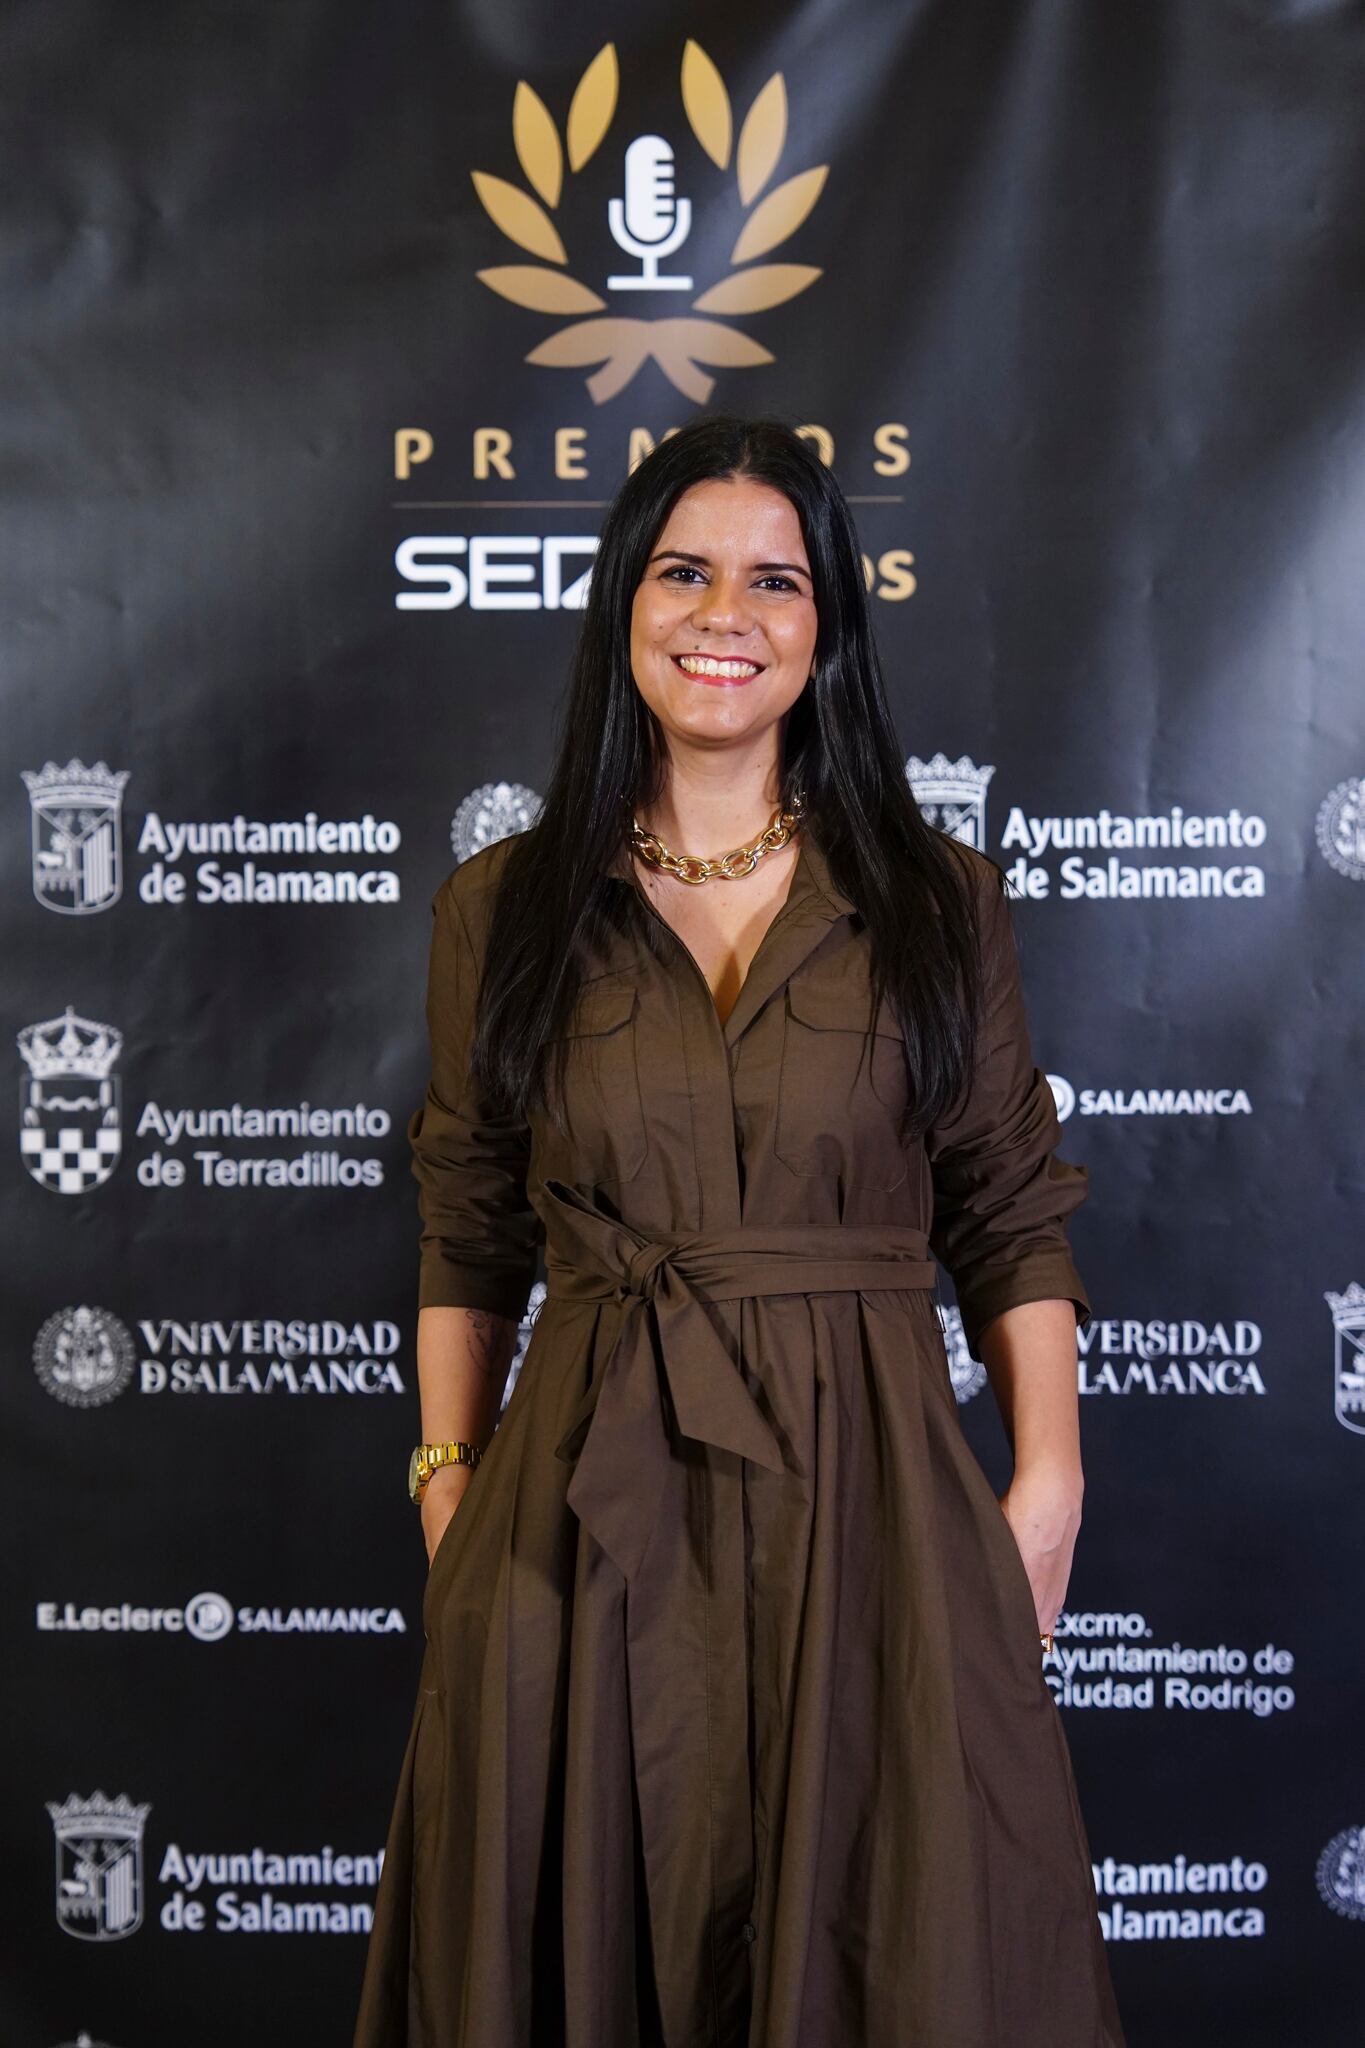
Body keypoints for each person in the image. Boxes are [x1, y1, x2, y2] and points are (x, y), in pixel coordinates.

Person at [353, 414, 1125, 2047]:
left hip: (874, 1506)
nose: (726, 616)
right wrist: (446, 1479)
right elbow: (468, 1224)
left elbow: (1006, 1205)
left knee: (892, 1950)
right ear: (623, 605)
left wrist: (1048, 1483)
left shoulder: (937, 900)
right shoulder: (499, 909)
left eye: (774, 580)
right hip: (578, 1511)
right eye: (683, 572)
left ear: (825, 623)